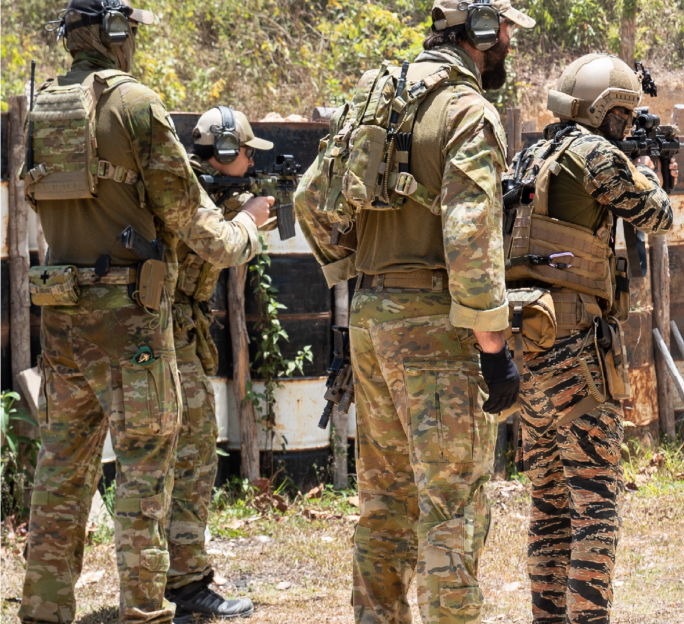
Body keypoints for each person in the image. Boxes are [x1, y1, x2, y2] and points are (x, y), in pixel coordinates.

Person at [18, 1, 268, 623]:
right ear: (115, 33)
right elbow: (198, 227)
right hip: (129, 321)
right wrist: (246, 231)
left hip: (60, 313)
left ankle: (43, 610)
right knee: (144, 474)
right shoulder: (135, 104)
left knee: (60, 473)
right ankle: (144, 612)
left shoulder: (44, 107)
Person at [290, 1, 535, 622]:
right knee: (451, 504)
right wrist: (496, 351)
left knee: (385, 501)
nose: (509, 40)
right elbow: (472, 242)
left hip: (371, 320)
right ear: (480, 32)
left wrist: (360, 269)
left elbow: (308, 201)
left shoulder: (382, 97)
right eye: (505, 29)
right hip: (435, 329)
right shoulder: (467, 112)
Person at [506, 53, 675, 624]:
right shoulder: (598, 155)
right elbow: (659, 216)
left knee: (550, 505)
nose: (625, 127)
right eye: (623, 116)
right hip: (577, 347)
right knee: (595, 506)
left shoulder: (532, 155)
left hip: (527, 344)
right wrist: (648, 171)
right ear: (607, 112)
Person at [160, 106, 278, 621]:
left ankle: (163, 582)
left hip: (161, 333)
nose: (251, 160)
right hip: (168, 338)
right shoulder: (189, 192)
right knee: (191, 460)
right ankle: (187, 587)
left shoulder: (184, 182)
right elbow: (219, 247)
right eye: (245, 152)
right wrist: (249, 219)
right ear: (226, 152)